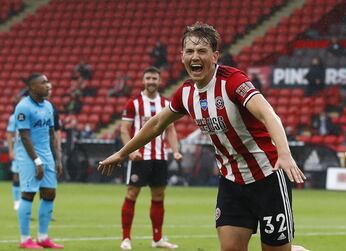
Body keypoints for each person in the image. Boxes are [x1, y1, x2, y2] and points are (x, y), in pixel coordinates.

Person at [98, 23, 307, 251]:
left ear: (215, 56)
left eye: (202, 51)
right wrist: (121, 153)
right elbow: (157, 123)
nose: (195, 57)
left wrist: (284, 153)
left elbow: (268, 114)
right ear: (182, 57)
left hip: (268, 177)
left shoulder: (233, 82)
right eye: (189, 51)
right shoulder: (186, 93)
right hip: (232, 183)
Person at [119, 66, 182, 250]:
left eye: (154, 78)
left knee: (159, 196)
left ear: (159, 81)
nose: (151, 82)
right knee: (132, 193)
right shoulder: (134, 103)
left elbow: (170, 129)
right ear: (143, 80)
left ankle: (157, 239)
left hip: (160, 157)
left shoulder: (165, 104)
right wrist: (130, 151)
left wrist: (175, 150)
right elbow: (124, 129)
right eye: (148, 78)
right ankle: (126, 238)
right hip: (139, 157)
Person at [14, 73, 63, 249]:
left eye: (47, 82)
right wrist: (36, 161)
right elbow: (25, 137)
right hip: (29, 157)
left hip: (47, 155)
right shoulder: (23, 107)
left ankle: (43, 237)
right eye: (43, 83)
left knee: (50, 193)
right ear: (32, 87)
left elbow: (52, 134)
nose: (47, 85)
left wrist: (57, 158)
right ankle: (25, 239)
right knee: (28, 194)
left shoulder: (49, 106)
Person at [6, 110, 21, 211]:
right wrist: (11, 151)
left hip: (34, 150)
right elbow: (9, 134)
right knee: (16, 175)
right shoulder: (14, 117)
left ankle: (25, 202)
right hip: (19, 150)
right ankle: (16, 201)